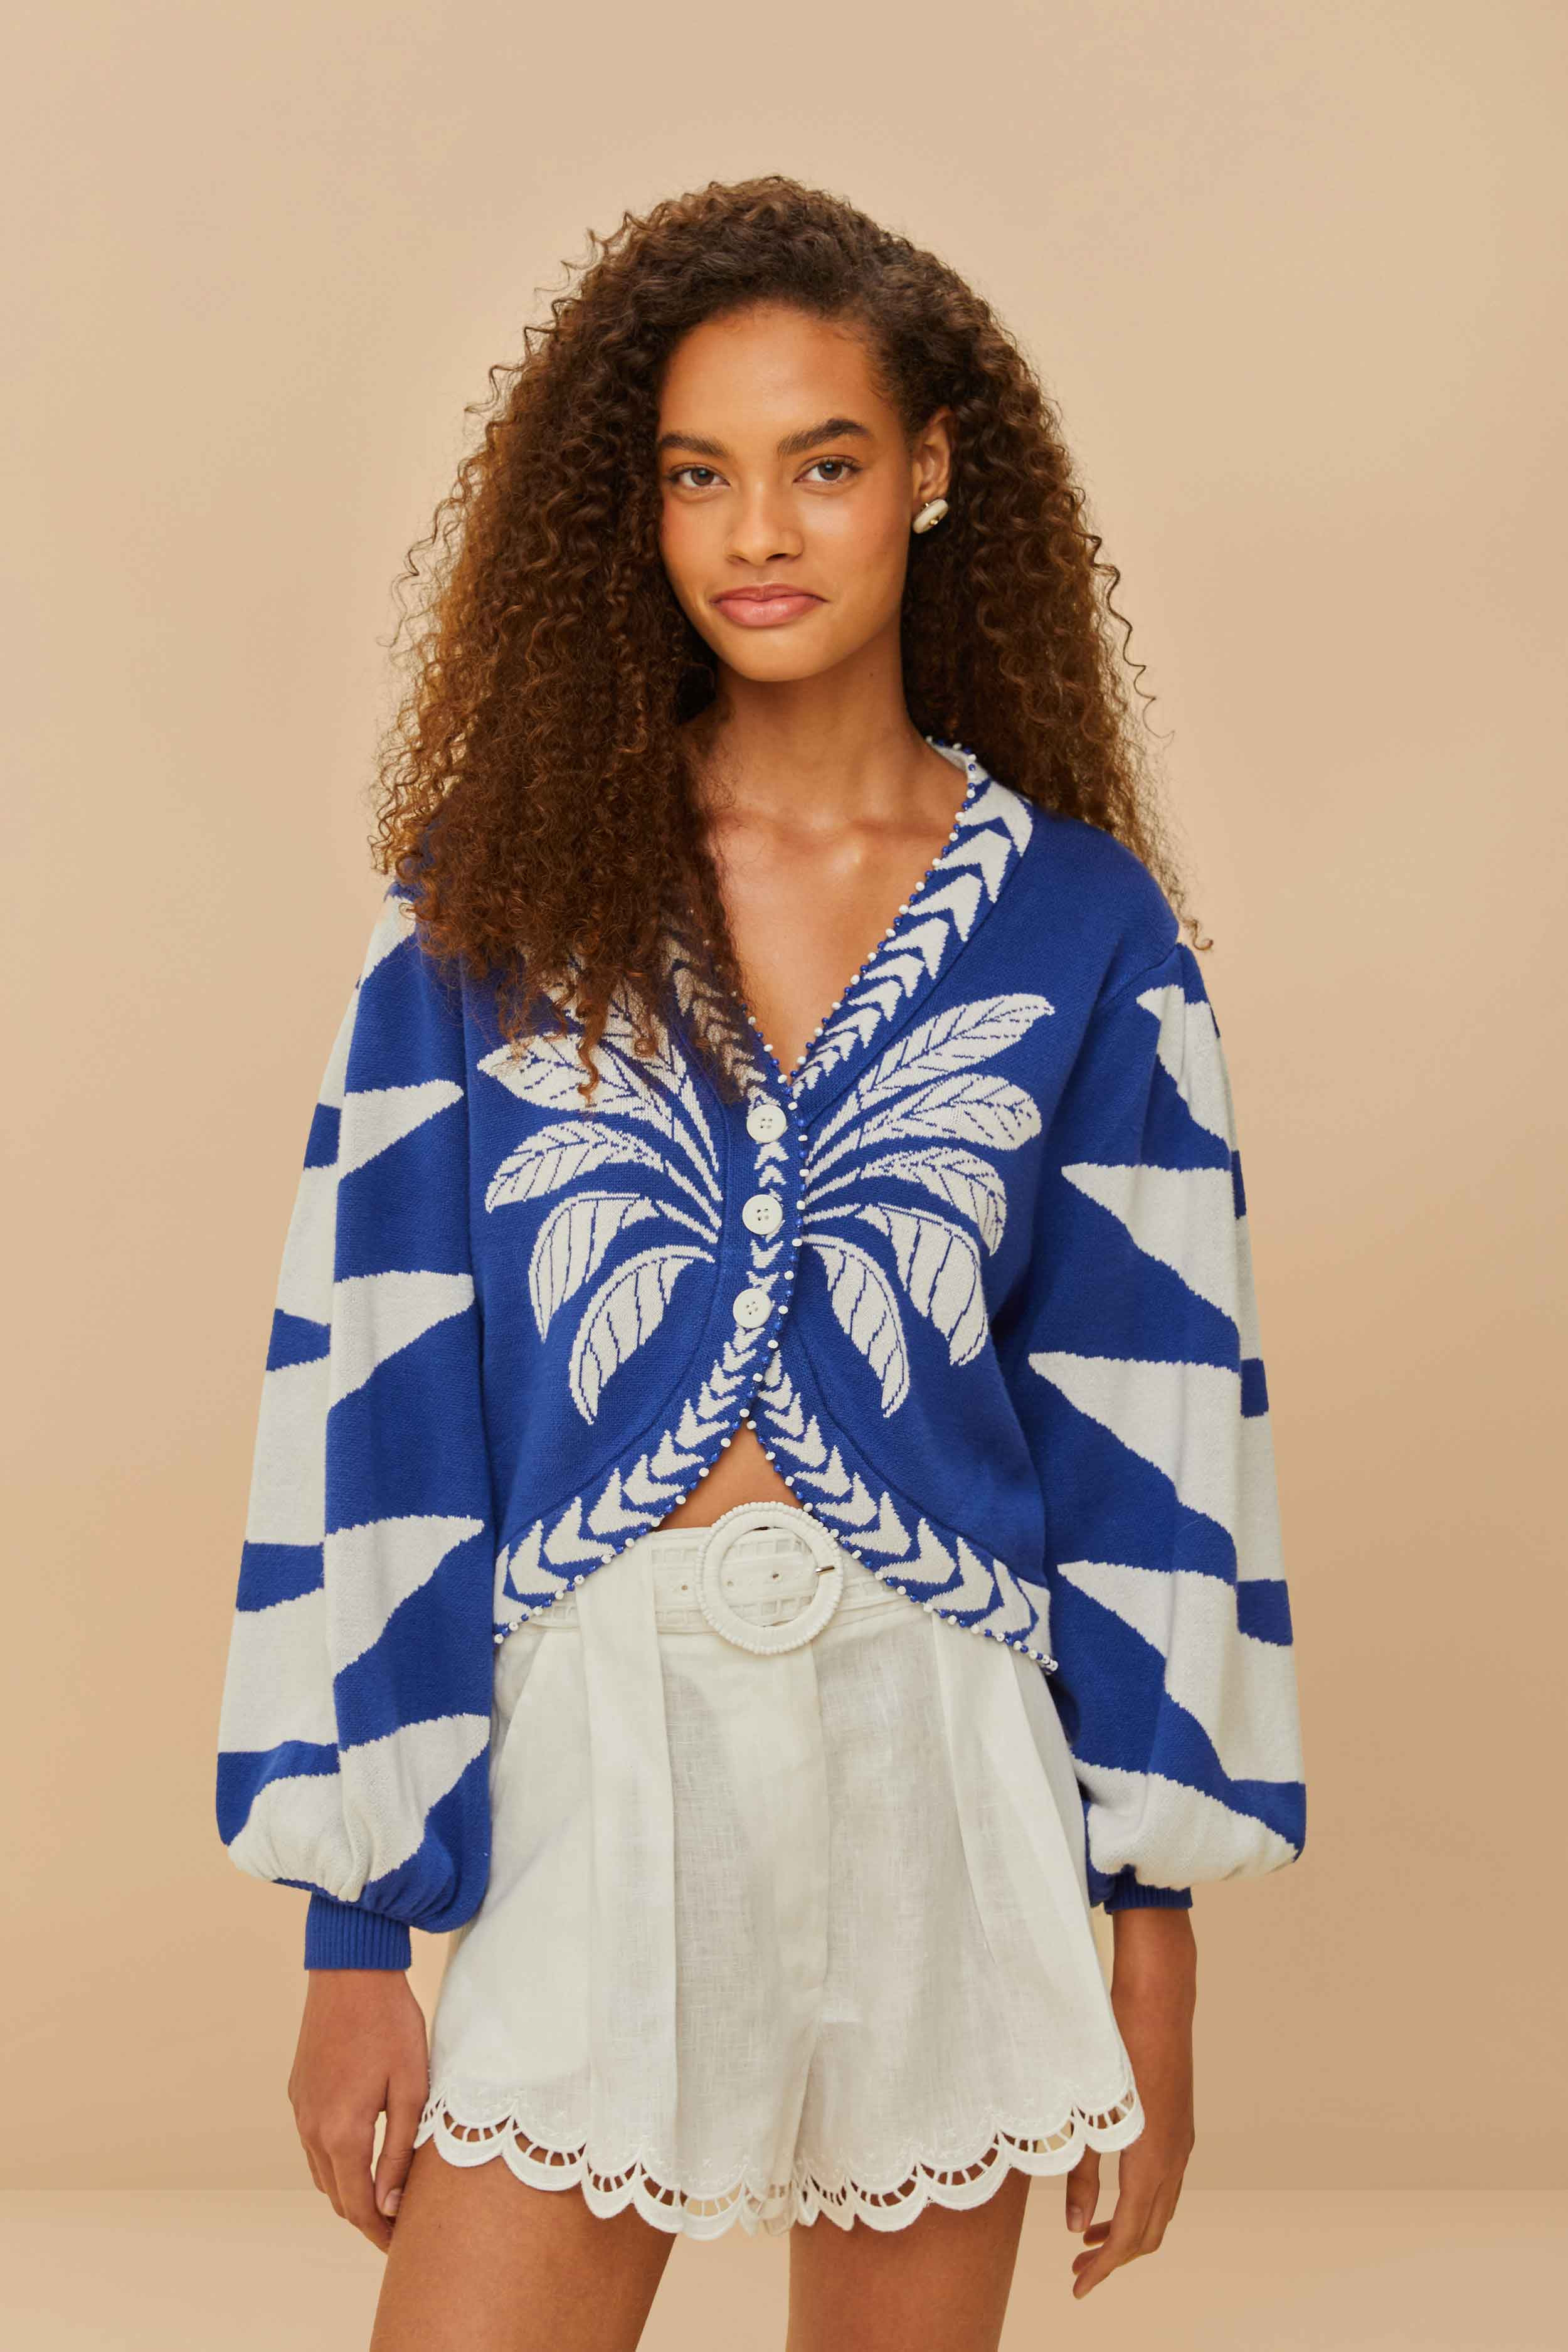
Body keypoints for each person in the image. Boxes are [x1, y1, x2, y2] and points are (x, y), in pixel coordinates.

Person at [215, 174, 1306, 2351]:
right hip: (596, 1741)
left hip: (942, 1754)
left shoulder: (1082, 926)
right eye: (695, 475)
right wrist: (355, 1935)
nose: (757, 532)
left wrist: (1150, 1943)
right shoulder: (492, 900)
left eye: (820, 463)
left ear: (930, 471)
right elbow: (377, 1386)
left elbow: (1155, 1423)